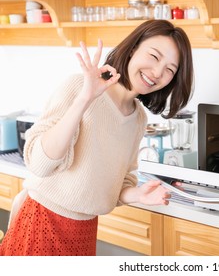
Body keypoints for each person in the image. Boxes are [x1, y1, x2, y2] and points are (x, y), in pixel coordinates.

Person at [0, 19, 194, 256]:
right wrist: (84, 99)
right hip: (41, 221)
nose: (157, 73)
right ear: (133, 48)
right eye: (154, 56)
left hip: (84, 230)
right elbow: (40, 165)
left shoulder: (138, 118)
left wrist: (138, 195)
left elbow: (118, 184)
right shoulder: (79, 86)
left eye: (169, 70)